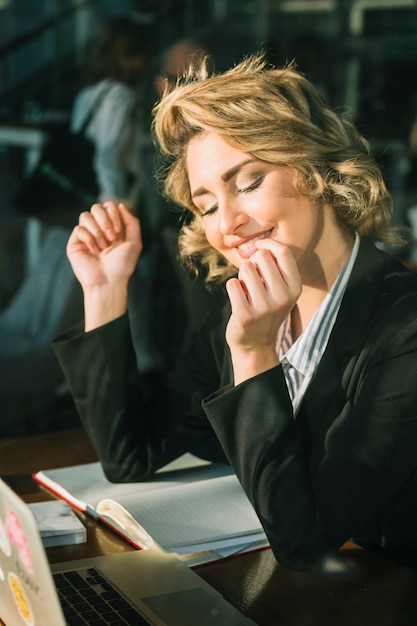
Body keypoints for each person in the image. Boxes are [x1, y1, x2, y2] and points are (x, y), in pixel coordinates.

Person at [53, 52, 417, 573]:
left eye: (247, 183)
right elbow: (130, 454)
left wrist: (253, 351)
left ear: (316, 167)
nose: (228, 224)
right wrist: (105, 291)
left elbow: (303, 542)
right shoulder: (240, 306)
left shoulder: (404, 329)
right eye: (206, 205)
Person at [70, 16, 152, 210]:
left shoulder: (88, 92)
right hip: (108, 196)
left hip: (83, 190)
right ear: (132, 55)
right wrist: (116, 203)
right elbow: (109, 154)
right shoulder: (121, 95)